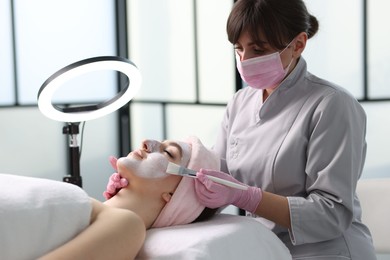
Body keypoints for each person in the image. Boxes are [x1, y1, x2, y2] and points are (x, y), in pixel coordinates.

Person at [192, 0, 376, 259]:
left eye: (258, 49)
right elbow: (214, 178)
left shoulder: (332, 105)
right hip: (267, 249)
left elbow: (332, 213)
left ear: (298, 44)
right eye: (239, 49)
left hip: (326, 251)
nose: (245, 60)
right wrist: (154, 175)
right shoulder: (239, 104)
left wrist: (249, 198)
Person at [0, 136, 219, 260]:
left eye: (168, 153)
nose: (147, 142)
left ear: (173, 196)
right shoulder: (89, 211)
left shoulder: (128, 226)